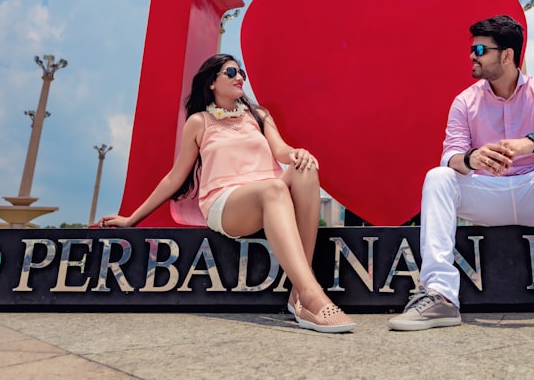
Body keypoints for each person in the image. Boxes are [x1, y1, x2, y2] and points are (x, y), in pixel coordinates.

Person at [388, 14, 534, 332]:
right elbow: (451, 156)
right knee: (437, 177)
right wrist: (473, 158)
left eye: (480, 50)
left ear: (506, 55)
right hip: (487, 195)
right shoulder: (464, 101)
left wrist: (530, 145)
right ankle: (439, 296)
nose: (472, 56)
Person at [99, 53, 354, 334]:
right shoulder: (199, 122)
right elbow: (175, 177)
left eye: (241, 72)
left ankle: (300, 291)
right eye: (231, 72)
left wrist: (298, 154)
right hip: (226, 202)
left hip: (272, 194)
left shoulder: (258, 115)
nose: (239, 78)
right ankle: (312, 294)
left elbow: (281, 150)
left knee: (305, 171)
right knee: (274, 188)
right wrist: (131, 218)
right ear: (211, 82)